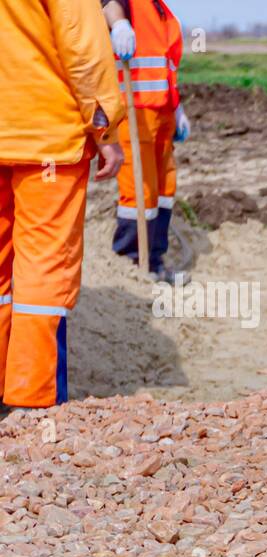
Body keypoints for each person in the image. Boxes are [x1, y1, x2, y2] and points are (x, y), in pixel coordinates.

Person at [1, 0, 125, 408]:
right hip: (46, 136)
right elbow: (82, 45)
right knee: (44, 271)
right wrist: (105, 129)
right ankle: (33, 403)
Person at [103, 0, 190, 280]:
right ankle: (131, 264)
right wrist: (117, 24)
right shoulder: (125, 4)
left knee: (164, 190)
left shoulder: (159, 7)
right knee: (139, 191)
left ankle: (154, 261)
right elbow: (103, 5)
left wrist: (176, 108)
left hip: (162, 109)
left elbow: (165, 64)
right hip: (133, 109)